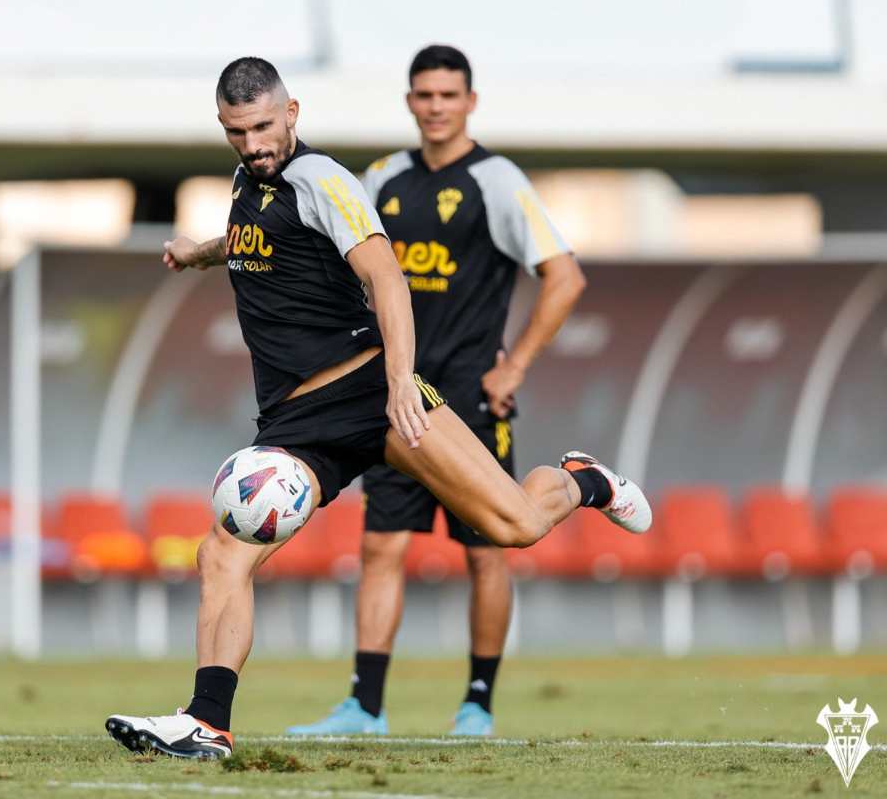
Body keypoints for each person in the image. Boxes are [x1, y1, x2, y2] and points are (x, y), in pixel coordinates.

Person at [105, 56, 650, 760]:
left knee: (512, 526)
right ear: (224, 127)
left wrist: (399, 381)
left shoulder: (325, 179)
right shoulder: (249, 184)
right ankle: (209, 720)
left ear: (292, 113)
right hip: (298, 426)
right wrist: (201, 252)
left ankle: (584, 480)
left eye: (266, 127)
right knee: (223, 554)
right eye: (239, 132)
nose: (254, 143)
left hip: (370, 392)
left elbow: (387, 278)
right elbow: (256, 246)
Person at [286, 44, 585, 739]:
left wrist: (513, 370)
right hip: (397, 398)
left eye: (449, 95)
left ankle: (478, 702)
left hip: (471, 401)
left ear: (470, 102)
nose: (436, 106)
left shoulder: (498, 180)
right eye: (424, 95)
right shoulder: (383, 178)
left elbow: (564, 276)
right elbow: (333, 256)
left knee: (486, 549)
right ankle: (365, 706)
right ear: (409, 101)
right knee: (382, 547)